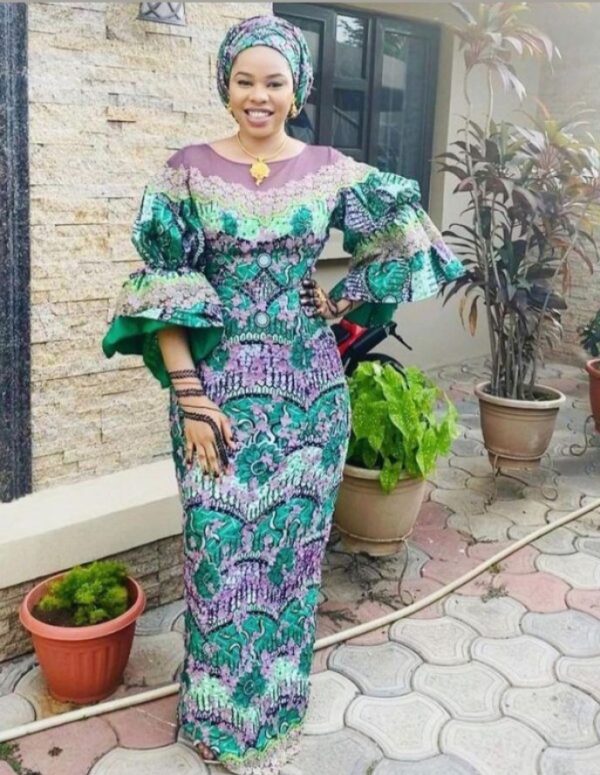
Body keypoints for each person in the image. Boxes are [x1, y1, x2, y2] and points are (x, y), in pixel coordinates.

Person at [102, 14, 464, 774]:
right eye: (244, 80)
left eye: (274, 82)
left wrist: (342, 300)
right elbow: (165, 289)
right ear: (225, 85)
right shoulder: (186, 172)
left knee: (291, 565)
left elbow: (410, 235)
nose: (258, 95)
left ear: (297, 90)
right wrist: (191, 399)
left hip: (310, 399)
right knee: (218, 556)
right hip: (218, 398)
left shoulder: (330, 169)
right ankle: (220, 719)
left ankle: (275, 713)